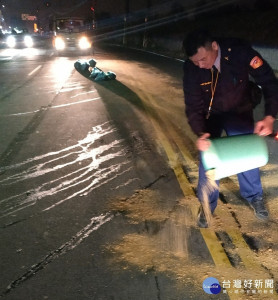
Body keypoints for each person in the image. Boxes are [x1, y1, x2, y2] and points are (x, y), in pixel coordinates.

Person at [182, 29, 278, 228]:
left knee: (246, 154)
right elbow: (192, 105)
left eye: (203, 59)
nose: (201, 65)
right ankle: (207, 205)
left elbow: (269, 82)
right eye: (195, 62)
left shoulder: (240, 53)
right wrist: (201, 133)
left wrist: (269, 117)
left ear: (215, 46)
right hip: (211, 116)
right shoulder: (191, 69)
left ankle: (254, 196)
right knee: (208, 160)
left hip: (239, 111)